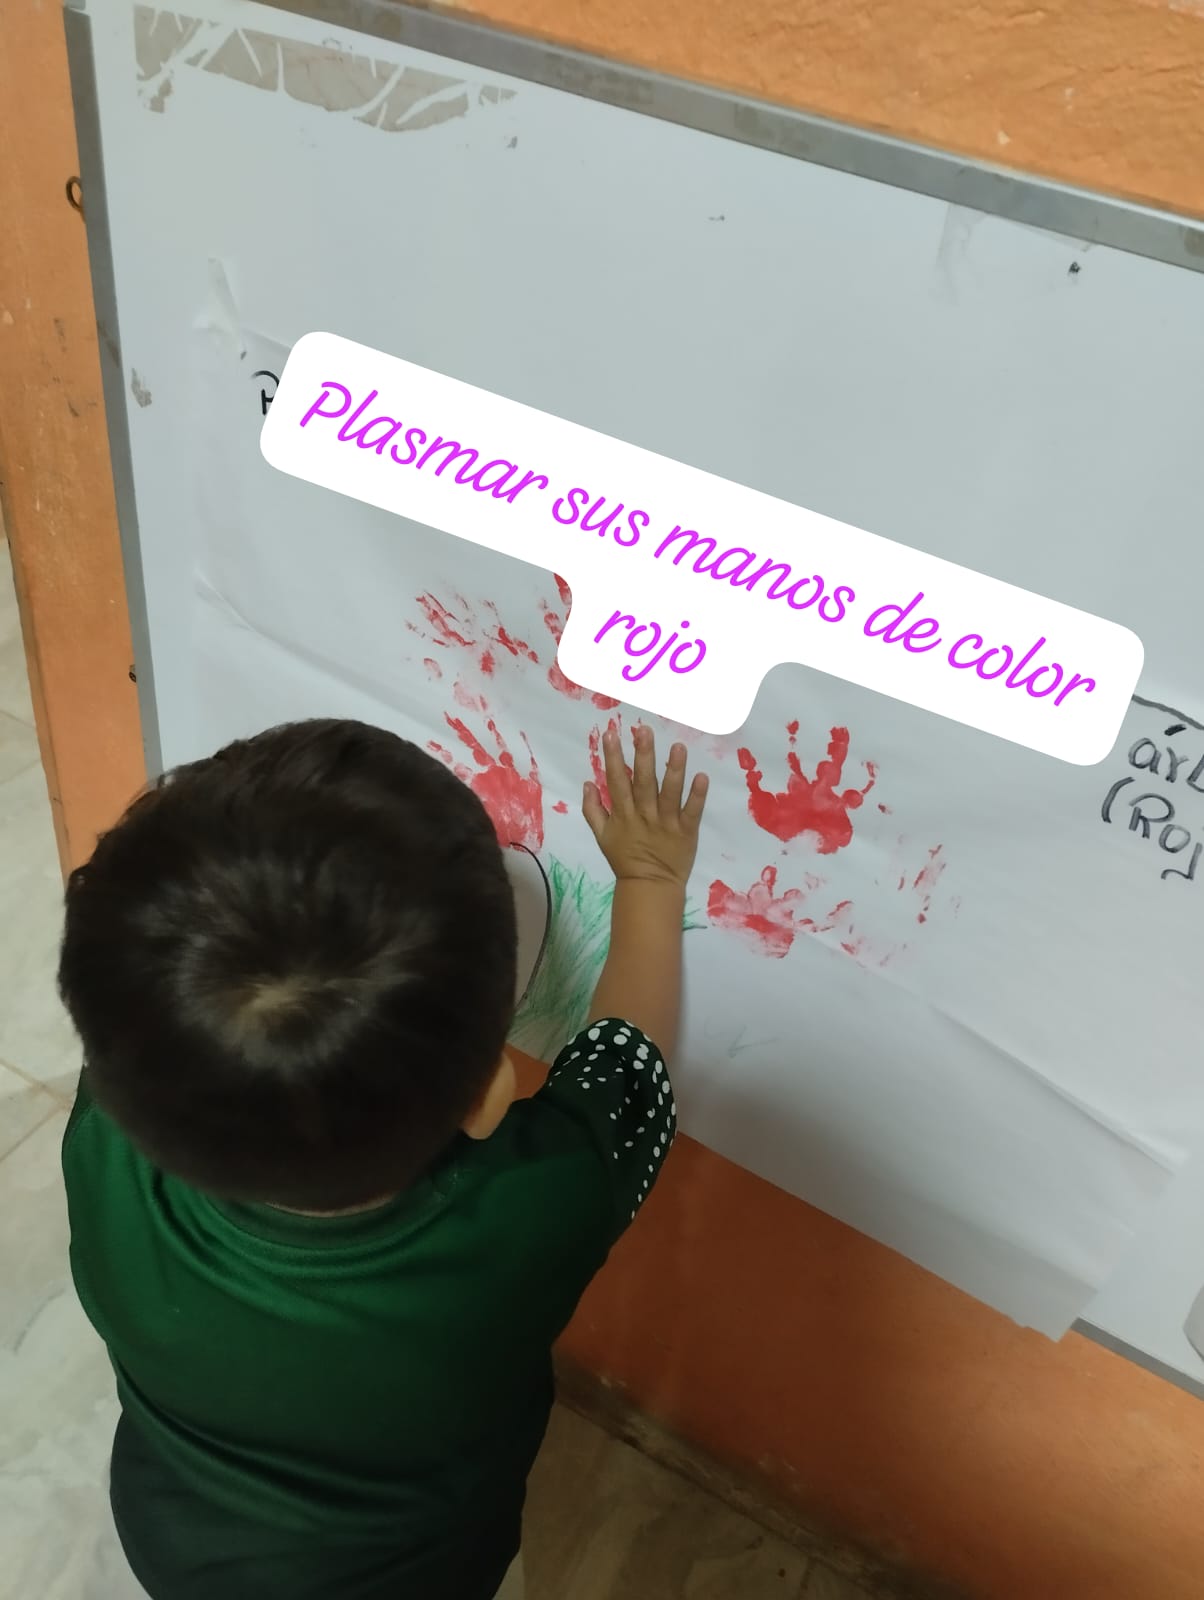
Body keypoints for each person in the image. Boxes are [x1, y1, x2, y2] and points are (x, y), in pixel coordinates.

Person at [58, 716, 708, 1600]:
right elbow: (629, 1067)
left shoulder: (105, 1135)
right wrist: (651, 881)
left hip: (178, 1546)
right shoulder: (533, 1205)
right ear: (488, 1099)